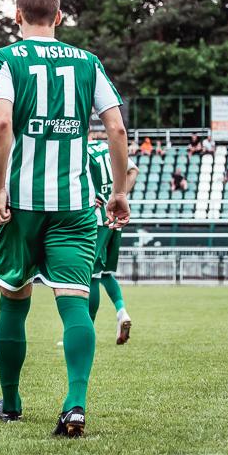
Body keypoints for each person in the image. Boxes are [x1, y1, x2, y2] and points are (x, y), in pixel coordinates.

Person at [0, 0, 129, 436]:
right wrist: (119, 190)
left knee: (13, 301)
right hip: (74, 203)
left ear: (17, 15)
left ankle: (10, 403)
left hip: (22, 203)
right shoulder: (87, 61)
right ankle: (75, 403)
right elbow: (116, 128)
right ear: (59, 17)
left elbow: (1, 123)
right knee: (74, 303)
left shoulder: (5, 58)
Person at [87, 136, 138, 344]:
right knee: (106, 272)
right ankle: (121, 311)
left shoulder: (81, 150)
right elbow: (133, 170)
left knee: (92, 275)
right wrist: (119, 195)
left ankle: (86, 331)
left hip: (97, 219)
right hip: (115, 216)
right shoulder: (109, 147)